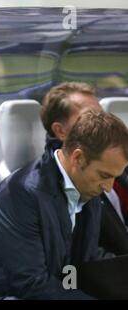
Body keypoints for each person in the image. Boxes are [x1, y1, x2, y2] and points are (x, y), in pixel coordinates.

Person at [0, 110, 128, 299]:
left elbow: (85, 261)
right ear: (78, 158)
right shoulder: (20, 194)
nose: (108, 187)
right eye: (104, 175)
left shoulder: (88, 187)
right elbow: (31, 284)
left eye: (114, 177)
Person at [40, 82, 128, 256]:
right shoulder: (61, 186)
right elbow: (82, 257)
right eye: (88, 118)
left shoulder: (114, 161)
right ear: (60, 131)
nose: (100, 124)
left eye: (101, 116)